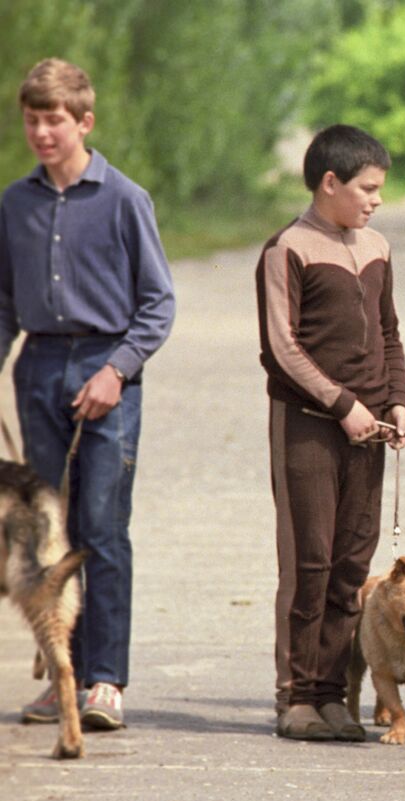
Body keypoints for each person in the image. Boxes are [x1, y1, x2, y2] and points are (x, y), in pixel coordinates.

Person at [2, 59, 175, 731]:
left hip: (106, 369)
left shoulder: (125, 199)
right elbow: (2, 304)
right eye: (32, 120)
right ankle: (60, 676)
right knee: (47, 533)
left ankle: (104, 679)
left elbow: (158, 304)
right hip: (39, 366)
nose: (43, 133)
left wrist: (118, 371)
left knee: (101, 528)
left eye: (55, 120)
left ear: (84, 122)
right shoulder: (15, 203)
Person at [256, 124, 405, 741]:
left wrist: (396, 401)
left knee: (351, 564)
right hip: (309, 427)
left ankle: (332, 695)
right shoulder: (286, 248)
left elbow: (391, 332)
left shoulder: (377, 247)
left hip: (369, 431)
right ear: (329, 183)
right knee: (309, 562)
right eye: (367, 188)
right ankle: (297, 695)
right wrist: (343, 403)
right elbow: (281, 348)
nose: (375, 200)